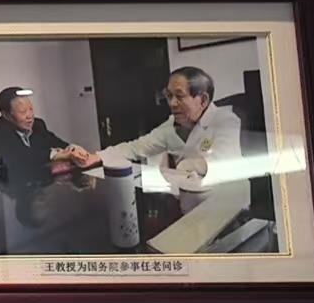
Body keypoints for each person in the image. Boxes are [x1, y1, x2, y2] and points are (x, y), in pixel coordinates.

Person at [83, 67, 245, 206]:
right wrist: (96, 157)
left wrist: (183, 166)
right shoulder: (170, 125)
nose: (172, 103)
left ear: (203, 100)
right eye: (169, 96)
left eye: (179, 96)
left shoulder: (225, 120)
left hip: (229, 207)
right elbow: (135, 147)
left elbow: (223, 164)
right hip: (190, 207)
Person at [0, 87, 92, 191]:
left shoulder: (38, 124)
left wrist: (73, 149)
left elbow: (55, 141)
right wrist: (56, 155)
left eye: (31, 109)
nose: (30, 116)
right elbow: (22, 159)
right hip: (16, 189)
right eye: (23, 112)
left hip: (43, 185)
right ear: (7, 115)